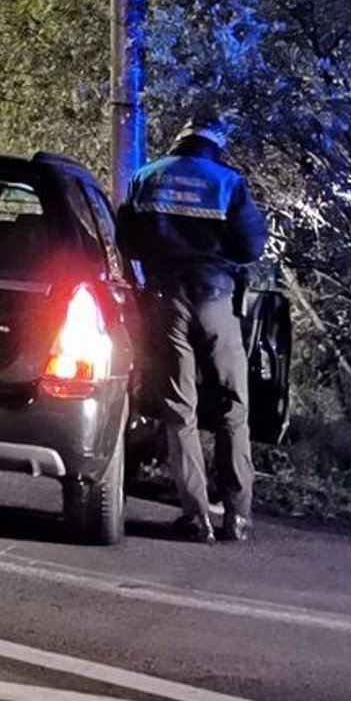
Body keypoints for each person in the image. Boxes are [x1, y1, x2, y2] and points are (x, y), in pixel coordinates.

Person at [117, 108, 267, 543]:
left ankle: (196, 516)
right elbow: (252, 244)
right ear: (215, 142)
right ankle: (238, 516)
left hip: (165, 299)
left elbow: (125, 240)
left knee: (179, 410)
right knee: (232, 408)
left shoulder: (147, 176)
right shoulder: (227, 182)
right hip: (216, 299)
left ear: (182, 138)